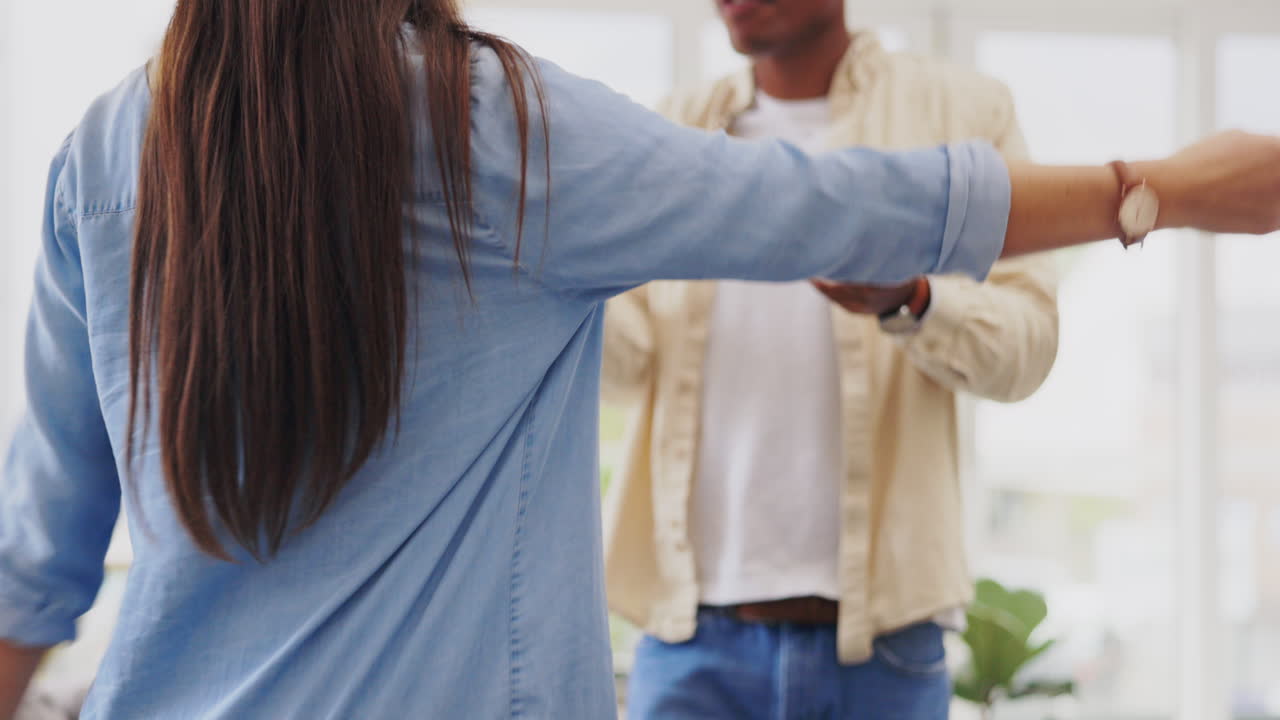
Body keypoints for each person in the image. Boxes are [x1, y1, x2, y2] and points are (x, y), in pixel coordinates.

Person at [0, 1, 1278, 718]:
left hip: (870, 641)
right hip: (670, 638)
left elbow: (30, 569)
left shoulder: (105, 151)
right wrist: (1151, 188)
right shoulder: (498, 131)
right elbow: (830, 207)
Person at [602, 2, 1057, 717]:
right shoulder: (674, 129)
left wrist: (910, 298)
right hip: (691, 648)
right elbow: (623, 364)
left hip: (885, 651)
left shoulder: (960, 112)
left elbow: (1027, 348)